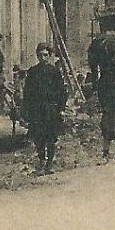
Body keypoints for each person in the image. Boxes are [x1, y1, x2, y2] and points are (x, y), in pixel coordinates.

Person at [20, 44, 67, 174]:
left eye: (45, 55)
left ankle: (50, 163)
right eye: (40, 55)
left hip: (51, 109)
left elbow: (62, 91)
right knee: (38, 137)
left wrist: (61, 108)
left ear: (49, 56)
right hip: (37, 110)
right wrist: (26, 110)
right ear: (37, 56)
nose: (42, 58)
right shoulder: (33, 72)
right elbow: (27, 92)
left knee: (51, 137)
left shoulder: (54, 71)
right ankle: (41, 162)